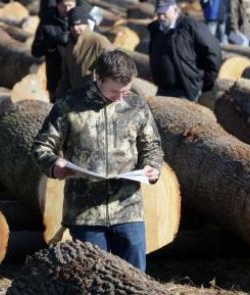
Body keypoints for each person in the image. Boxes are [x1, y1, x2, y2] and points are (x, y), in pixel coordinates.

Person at [32, 49, 164, 272]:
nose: (120, 97)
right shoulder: (68, 106)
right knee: (93, 278)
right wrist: (54, 165)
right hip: (85, 213)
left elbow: (152, 145)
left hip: (128, 208)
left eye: (126, 90)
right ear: (98, 78)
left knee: (135, 279)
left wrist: (152, 166)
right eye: (115, 91)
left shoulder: (137, 106)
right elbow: (42, 147)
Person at [148, 0, 222, 102]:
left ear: (175, 9)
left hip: (185, 91)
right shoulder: (156, 29)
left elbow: (213, 51)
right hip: (162, 90)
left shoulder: (190, 26)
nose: (161, 17)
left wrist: (207, 82)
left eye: (164, 13)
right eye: (159, 13)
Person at [32, 0, 92, 101]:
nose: (67, 9)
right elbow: (36, 51)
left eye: (70, 5)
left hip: (80, 78)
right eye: (64, 6)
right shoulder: (47, 21)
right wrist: (54, 41)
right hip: (56, 79)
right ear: (57, 5)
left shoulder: (83, 18)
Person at [55, 6, 112, 98]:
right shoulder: (69, 46)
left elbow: (113, 70)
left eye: (79, 24)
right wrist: (59, 97)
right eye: (72, 25)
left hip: (97, 98)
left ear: (86, 23)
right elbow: (65, 78)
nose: (76, 28)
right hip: (76, 97)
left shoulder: (99, 42)